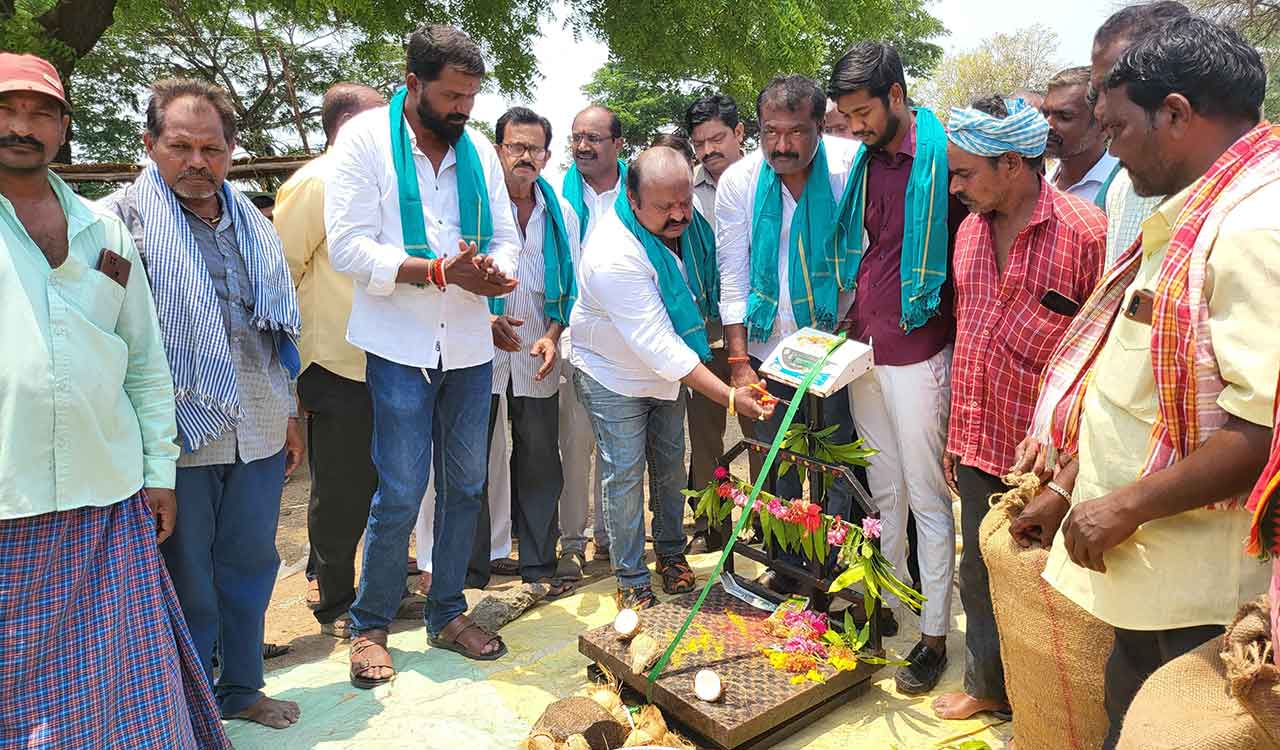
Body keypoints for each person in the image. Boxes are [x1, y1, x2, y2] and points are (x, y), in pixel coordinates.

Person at [1009, 19, 1278, 747]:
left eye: (1120, 128)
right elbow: (1141, 393)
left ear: (1177, 114)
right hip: (1154, 566)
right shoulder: (1200, 210)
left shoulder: (1253, 227)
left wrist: (1126, 504)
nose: (1114, 150)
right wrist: (1072, 488)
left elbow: (1263, 433)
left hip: (1200, 587)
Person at [0, 53, 231, 750]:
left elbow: (144, 364)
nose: (21, 127)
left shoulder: (104, 232)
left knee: (119, 676)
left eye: (41, 113)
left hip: (107, 496)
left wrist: (159, 471)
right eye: (6, 110)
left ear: (64, 127)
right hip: (10, 500)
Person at [103, 78, 303, 729]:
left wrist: (289, 412)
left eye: (211, 149)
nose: (197, 162)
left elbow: (271, 331)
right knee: (186, 578)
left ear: (231, 150)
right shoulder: (115, 224)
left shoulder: (253, 224)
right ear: (149, 144)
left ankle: (242, 688)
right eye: (180, 146)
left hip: (259, 422)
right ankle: (185, 706)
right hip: (176, 433)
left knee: (250, 564)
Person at [325, 24, 521, 684]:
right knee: (403, 490)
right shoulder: (364, 141)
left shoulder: (480, 150)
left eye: (471, 97)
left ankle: (446, 612)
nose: (463, 108)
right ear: (413, 84)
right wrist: (437, 272)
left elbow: (504, 236)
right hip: (399, 346)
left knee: (466, 486)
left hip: (467, 345)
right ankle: (370, 623)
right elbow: (348, 246)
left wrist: (496, 273)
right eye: (451, 96)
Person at [933, 94, 1107, 722]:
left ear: (1010, 163)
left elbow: (1105, 357)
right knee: (981, 569)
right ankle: (989, 686)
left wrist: (1067, 477)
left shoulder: (1086, 233)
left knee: (1055, 583)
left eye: (964, 173)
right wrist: (956, 439)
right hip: (981, 439)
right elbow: (969, 337)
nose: (955, 187)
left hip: (1053, 459)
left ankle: (1056, 710)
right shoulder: (969, 233)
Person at [572, 146, 774, 609]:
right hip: (613, 374)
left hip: (666, 375)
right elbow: (659, 345)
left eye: (685, 201)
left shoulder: (691, 229)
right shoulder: (612, 254)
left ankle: (670, 553)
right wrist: (730, 396)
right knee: (625, 473)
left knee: (669, 466)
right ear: (633, 199)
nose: (680, 214)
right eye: (665, 206)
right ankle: (630, 576)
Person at [828, 40, 968, 695]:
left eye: (863, 114)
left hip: (919, 350)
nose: (854, 127)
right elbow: (871, 250)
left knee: (928, 499)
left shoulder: (944, 161)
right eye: (846, 116)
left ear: (896, 96)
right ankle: (887, 603)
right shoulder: (867, 163)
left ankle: (934, 638)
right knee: (883, 492)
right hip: (866, 348)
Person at [275, 82, 425, 641]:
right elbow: (281, 273)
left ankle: (386, 590)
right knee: (340, 491)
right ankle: (334, 598)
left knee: (394, 482)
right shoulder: (316, 182)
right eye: (380, 117)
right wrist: (290, 371)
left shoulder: (385, 180)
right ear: (345, 125)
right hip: (337, 363)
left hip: (393, 357)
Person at [715, 75, 864, 598]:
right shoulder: (740, 182)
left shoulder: (850, 168)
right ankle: (787, 565)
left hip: (836, 348)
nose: (781, 145)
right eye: (770, 132)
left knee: (838, 461)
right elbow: (733, 274)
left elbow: (869, 252)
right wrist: (739, 362)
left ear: (820, 125)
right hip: (768, 348)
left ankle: (834, 566)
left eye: (796, 131)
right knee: (775, 460)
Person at [466, 105, 581, 595]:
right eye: (516, 146)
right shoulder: (475, 206)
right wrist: (484, 319)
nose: (525, 156)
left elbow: (569, 287)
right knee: (470, 462)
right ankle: (470, 572)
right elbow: (457, 275)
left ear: (547, 156)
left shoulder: (562, 214)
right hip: (476, 350)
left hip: (537, 354)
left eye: (535, 149)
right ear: (499, 150)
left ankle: (539, 566)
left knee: (539, 460)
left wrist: (552, 335)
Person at [555, 104, 626, 580]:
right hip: (574, 337)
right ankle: (572, 542)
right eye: (576, 137)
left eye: (593, 138)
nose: (582, 146)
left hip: (628, 338)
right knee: (575, 443)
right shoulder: (556, 196)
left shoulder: (639, 192)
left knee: (620, 446)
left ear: (618, 144)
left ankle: (611, 536)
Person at [682, 94, 751, 553]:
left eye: (717, 138)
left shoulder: (763, 180)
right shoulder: (683, 190)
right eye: (699, 142)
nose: (708, 150)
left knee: (761, 433)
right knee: (705, 436)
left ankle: (772, 528)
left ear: (739, 132)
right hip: (703, 331)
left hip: (756, 330)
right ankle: (713, 526)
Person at [1090, 1, 1191, 267]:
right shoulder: (1121, 186)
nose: (1099, 110)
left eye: (1111, 88)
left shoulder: (1249, 212)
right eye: (1095, 92)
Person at [1042, 66, 1118, 203]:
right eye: (1045, 114)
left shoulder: (1123, 188)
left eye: (1065, 116)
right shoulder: (1042, 182)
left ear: (1103, 126)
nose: (1047, 125)